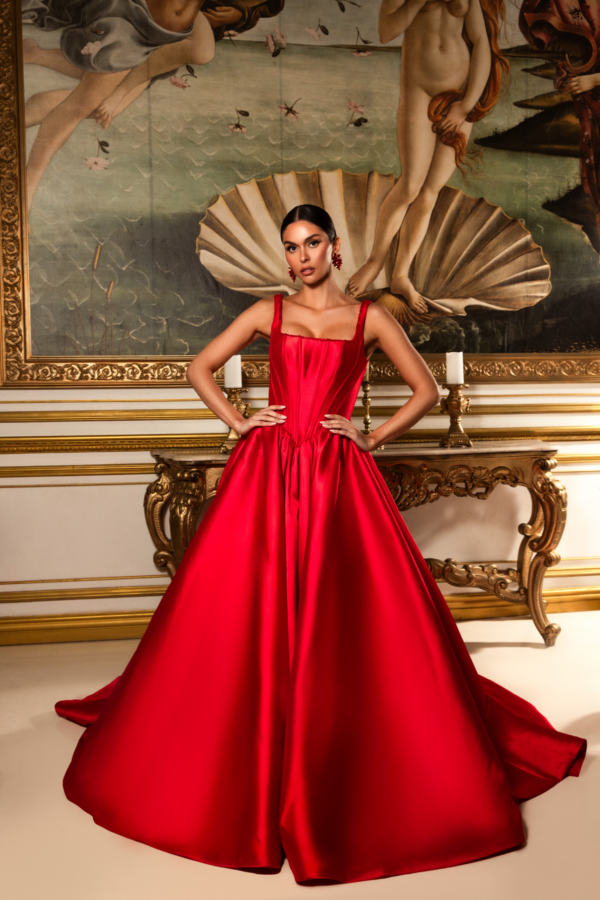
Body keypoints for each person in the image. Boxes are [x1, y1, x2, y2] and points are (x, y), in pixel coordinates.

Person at [55, 205, 585, 886]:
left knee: (345, 603)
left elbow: (424, 390)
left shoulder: (370, 319)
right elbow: (200, 368)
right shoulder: (267, 312)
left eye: (311, 244)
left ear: (335, 248)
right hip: (267, 469)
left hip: (337, 472)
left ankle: (334, 720)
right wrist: (241, 422)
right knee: (248, 597)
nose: (300, 257)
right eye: (290, 247)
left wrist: (371, 436)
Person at [22, 1, 283, 210]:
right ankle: (26, 191)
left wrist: (240, 12)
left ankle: (34, 63)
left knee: (98, 103)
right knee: (83, 105)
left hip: (161, 36)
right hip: (134, 23)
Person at [345, 0, 508, 314]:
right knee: (410, 186)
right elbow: (386, 31)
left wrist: (466, 105)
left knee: (430, 191)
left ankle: (400, 276)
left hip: (459, 98)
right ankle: (375, 261)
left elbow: (480, 43)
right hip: (419, 90)